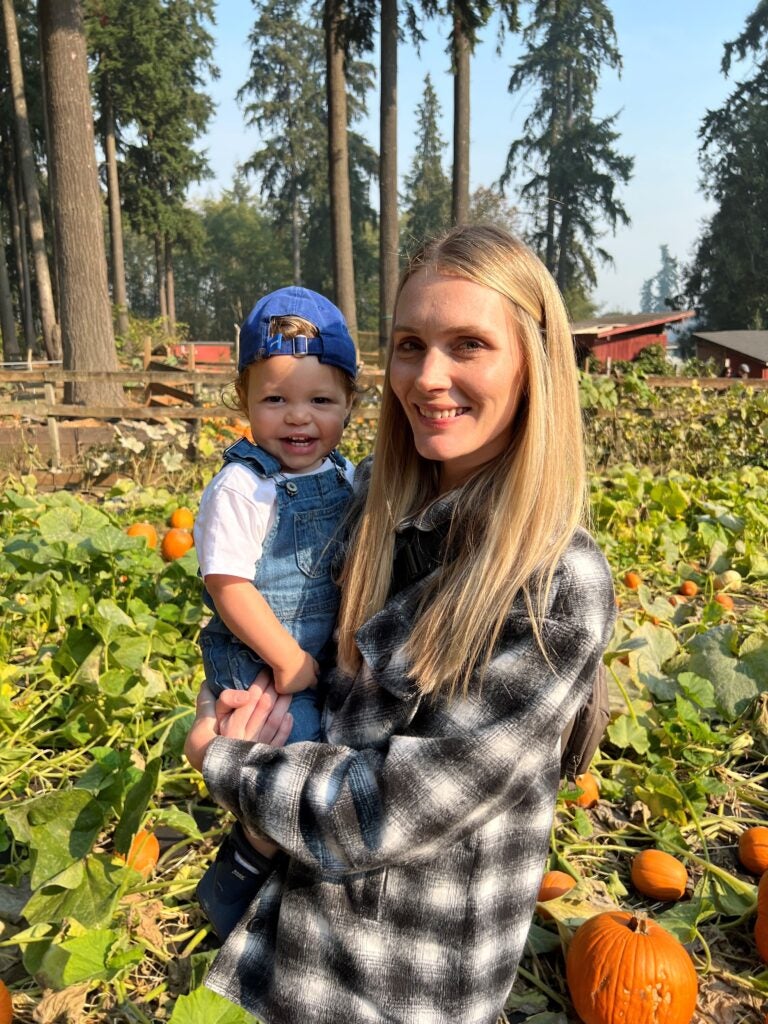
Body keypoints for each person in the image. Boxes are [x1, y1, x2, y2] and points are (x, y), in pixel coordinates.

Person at [185, 225, 616, 1024]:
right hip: (290, 948)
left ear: (534, 367)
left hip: (398, 988)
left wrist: (228, 761)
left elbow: (383, 809)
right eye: (412, 345)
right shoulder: (374, 520)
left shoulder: (551, 585)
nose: (429, 377)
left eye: (469, 345)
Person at [190, 286, 357, 939]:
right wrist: (287, 660)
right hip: (264, 659)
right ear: (246, 404)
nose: (299, 418)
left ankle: (271, 866)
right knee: (296, 763)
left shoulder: (343, 478)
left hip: (312, 656)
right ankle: (240, 875)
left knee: (319, 765)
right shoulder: (243, 484)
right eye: (275, 399)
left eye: (320, 401)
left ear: (348, 405)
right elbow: (228, 584)